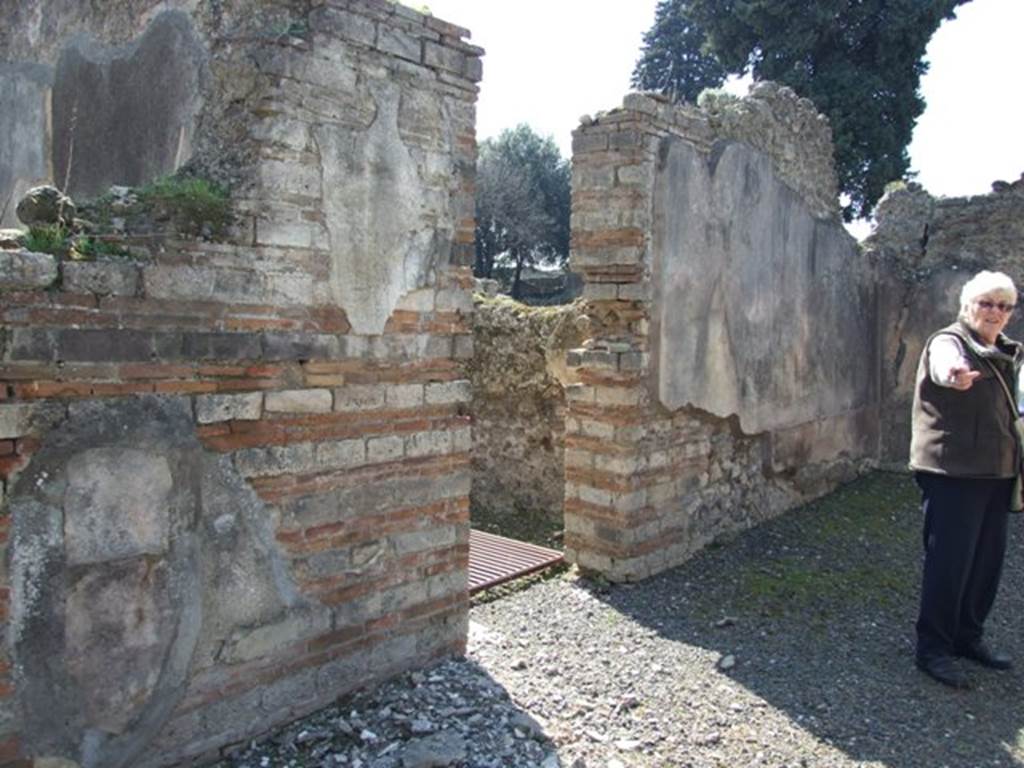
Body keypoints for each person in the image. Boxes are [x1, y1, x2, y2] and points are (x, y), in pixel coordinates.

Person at [910, 270, 1022, 689]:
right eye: (986, 303)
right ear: (967, 305)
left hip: (999, 471)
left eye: (1003, 306)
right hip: (953, 471)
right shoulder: (949, 342)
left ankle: (966, 637)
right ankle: (932, 648)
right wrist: (953, 374)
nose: (994, 312)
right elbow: (943, 366)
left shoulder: (1011, 352)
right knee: (950, 562)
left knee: (986, 563)